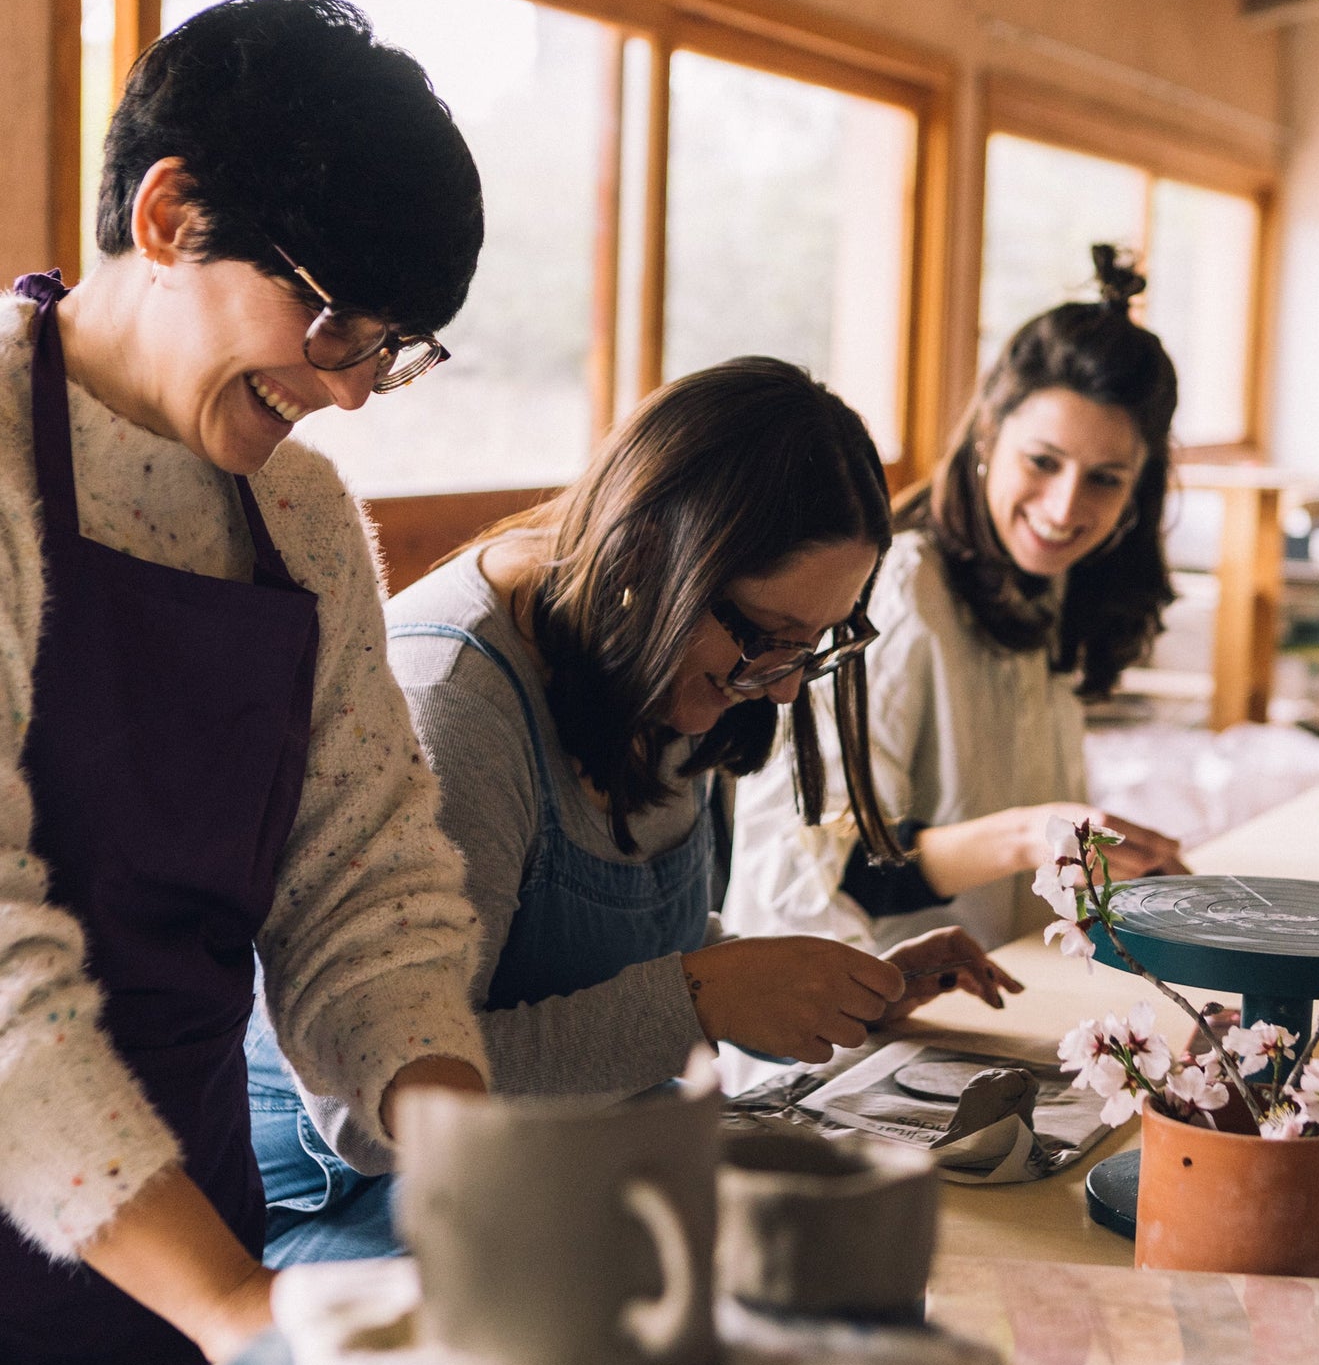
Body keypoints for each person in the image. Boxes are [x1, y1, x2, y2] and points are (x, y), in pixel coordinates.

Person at [246, 355, 1023, 1265]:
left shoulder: (679, 667)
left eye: (811, 646)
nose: (777, 692)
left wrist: (827, 991)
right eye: (769, 638)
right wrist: (699, 1000)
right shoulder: (452, 698)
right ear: (649, 560)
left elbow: (605, 967)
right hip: (362, 1202)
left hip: (571, 1159)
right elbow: (382, 1108)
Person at [0, 0, 494, 1365]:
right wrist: (229, 1301)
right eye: (334, 320)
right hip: (154, 1260)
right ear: (168, 215)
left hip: (195, 1252)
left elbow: (365, 879)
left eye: (389, 350)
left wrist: (470, 1169)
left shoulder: (302, 514)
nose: (347, 390)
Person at [724, 246, 1186, 956]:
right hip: (861, 1025)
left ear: (1137, 491)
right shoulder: (900, 589)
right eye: (1041, 462)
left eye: (1104, 478)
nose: (1064, 506)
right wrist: (1025, 836)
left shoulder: (1054, 583)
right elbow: (810, 873)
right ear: (987, 435)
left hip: (994, 998)